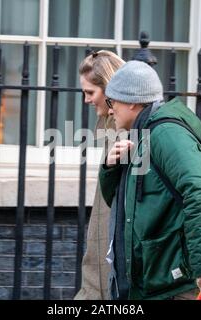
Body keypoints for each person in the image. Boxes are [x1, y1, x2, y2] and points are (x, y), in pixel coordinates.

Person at [99, 60, 201, 300]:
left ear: (132, 100)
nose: (110, 110)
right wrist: (110, 168)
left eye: (112, 101)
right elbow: (120, 205)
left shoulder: (166, 134)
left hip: (172, 287)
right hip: (151, 283)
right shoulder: (142, 135)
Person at [74, 50, 125, 300]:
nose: (86, 100)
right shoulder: (109, 125)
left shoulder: (126, 128)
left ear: (109, 89)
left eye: (90, 92)